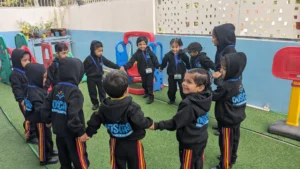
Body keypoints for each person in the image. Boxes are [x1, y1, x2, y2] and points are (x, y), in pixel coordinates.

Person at [84, 70, 153, 169]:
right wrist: (150, 123)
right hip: (133, 143)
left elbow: (95, 120)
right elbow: (141, 121)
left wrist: (88, 133)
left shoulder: (103, 108)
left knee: (117, 165)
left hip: (115, 143)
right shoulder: (132, 107)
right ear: (126, 90)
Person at [151, 68, 212, 169]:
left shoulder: (189, 104)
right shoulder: (207, 96)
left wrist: (157, 125)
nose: (183, 83)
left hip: (190, 144)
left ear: (200, 88)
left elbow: (175, 123)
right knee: (198, 163)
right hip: (201, 139)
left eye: (189, 82)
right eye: (184, 80)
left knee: (187, 165)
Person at [42, 58, 90, 169]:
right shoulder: (75, 92)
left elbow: (45, 106)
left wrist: (47, 120)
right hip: (73, 134)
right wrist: (80, 131)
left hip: (59, 131)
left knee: (63, 155)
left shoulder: (55, 88)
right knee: (79, 157)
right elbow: (73, 115)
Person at [210, 52, 247, 169]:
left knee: (225, 144)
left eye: (224, 68)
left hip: (227, 120)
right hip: (237, 117)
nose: (221, 70)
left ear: (233, 69)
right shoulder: (238, 79)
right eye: (221, 67)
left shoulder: (225, 86)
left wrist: (205, 86)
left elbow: (213, 96)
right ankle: (233, 157)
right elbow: (225, 85)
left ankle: (225, 165)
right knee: (234, 140)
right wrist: (220, 78)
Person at [24, 63, 58, 165]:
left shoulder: (32, 87)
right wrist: (47, 119)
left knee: (48, 136)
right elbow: (40, 110)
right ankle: (44, 159)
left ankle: (50, 150)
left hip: (41, 119)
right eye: (43, 78)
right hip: (40, 121)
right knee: (43, 139)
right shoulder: (35, 93)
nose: (45, 80)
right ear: (36, 78)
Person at [211, 23, 237, 135]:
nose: (212, 39)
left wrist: (220, 75)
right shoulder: (221, 48)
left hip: (225, 84)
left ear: (222, 38)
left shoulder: (230, 51)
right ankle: (221, 124)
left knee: (223, 107)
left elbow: (230, 70)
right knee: (219, 106)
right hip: (221, 81)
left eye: (214, 37)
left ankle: (224, 127)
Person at [9, 49, 38, 144]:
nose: (28, 62)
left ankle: (36, 132)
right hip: (24, 101)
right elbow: (16, 89)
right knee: (29, 118)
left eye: (28, 60)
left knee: (35, 117)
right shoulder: (15, 75)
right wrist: (21, 101)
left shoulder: (27, 70)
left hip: (33, 98)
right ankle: (30, 136)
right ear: (17, 61)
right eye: (24, 60)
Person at [120, 36, 160, 104]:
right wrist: (125, 67)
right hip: (142, 71)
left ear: (146, 44)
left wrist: (158, 66)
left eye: (144, 44)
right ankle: (146, 93)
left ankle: (151, 97)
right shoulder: (137, 54)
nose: (142, 46)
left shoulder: (150, 52)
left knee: (150, 84)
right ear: (137, 45)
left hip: (150, 71)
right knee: (144, 83)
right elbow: (131, 62)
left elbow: (155, 59)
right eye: (140, 44)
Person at [84, 40, 120, 110]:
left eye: (102, 50)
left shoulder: (101, 58)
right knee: (92, 92)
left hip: (100, 77)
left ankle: (103, 102)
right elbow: (83, 68)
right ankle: (95, 104)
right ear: (93, 50)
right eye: (99, 51)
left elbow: (108, 63)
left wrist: (118, 67)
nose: (101, 52)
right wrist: (78, 78)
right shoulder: (88, 59)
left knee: (102, 91)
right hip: (91, 79)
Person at [159, 38, 190, 105]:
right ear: (170, 46)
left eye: (176, 47)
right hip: (171, 75)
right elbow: (164, 62)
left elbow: (187, 61)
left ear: (180, 46)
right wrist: (161, 67)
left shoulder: (183, 55)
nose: (174, 49)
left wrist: (188, 67)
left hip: (181, 75)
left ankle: (185, 101)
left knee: (183, 88)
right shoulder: (167, 55)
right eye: (172, 47)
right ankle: (172, 99)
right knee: (172, 89)